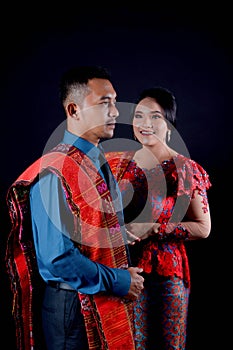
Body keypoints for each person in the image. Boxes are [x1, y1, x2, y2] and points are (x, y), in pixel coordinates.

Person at [5, 65, 144, 350]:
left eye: (116, 102)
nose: (116, 112)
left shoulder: (97, 161)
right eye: (104, 103)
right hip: (72, 309)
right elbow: (57, 259)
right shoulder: (55, 171)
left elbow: (89, 230)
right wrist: (119, 280)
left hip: (101, 296)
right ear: (73, 110)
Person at [105, 87, 212, 349]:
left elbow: (203, 227)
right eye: (139, 116)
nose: (145, 124)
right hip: (122, 273)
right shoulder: (118, 163)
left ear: (169, 126)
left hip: (165, 274)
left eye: (155, 117)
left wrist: (154, 228)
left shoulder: (184, 168)